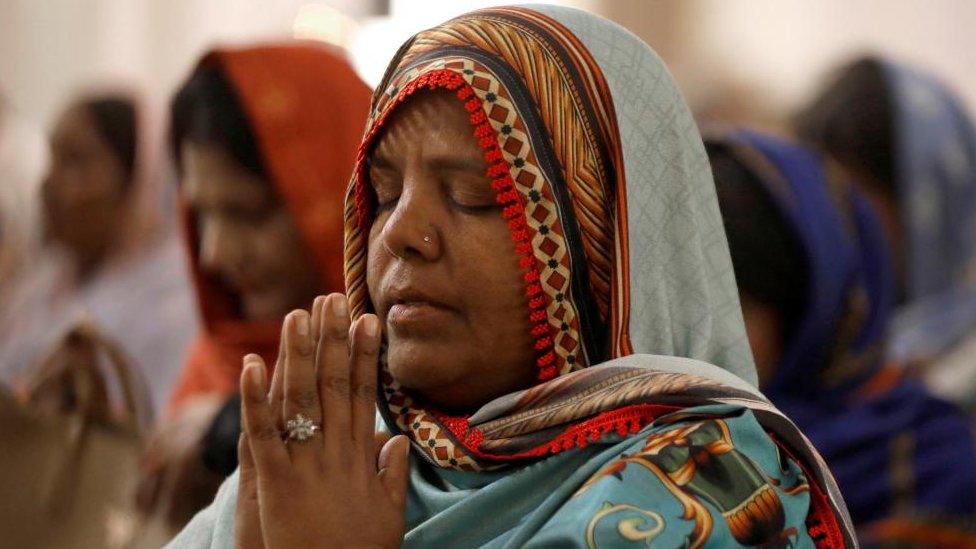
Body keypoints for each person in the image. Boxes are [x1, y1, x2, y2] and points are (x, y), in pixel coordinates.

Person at [169, 6, 855, 547]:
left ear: (599, 250)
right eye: (380, 195)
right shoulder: (335, 456)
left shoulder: (710, 491)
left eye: (475, 195)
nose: (404, 232)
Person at [138, 43, 372, 533]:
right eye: (201, 214)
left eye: (247, 213)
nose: (214, 253)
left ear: (339, 192)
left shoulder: (413, 366)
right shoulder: (216, 360)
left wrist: (242, 427)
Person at [707, 129, 976, 540]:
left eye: (729, 306)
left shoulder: (937, 475)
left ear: (810, 315)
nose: (696, 334)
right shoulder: (642, 433)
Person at [795, 58, 976, 409]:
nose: (832, 224)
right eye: (820, 195)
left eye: (856, 197)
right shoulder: (815, 355)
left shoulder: (957, 385)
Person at [0, 93, 197, 414]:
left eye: (76, 160)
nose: (48, 183)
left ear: (138, 180)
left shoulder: (172, 306)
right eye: (53, 159)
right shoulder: (44, 285)